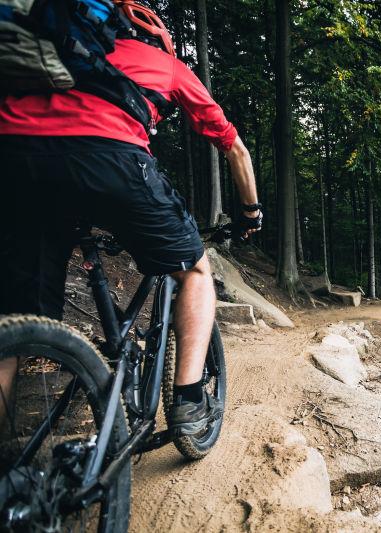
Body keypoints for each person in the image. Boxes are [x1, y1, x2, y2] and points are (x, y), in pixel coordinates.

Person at [0, 0, 261, 436]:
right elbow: (234, 148)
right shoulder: (168, 66)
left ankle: (9, 468)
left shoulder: (56, 53)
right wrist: (250, 212)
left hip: (16, 161)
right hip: (111, 159)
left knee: (14, 319)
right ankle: (190, 402)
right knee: (195, 271)